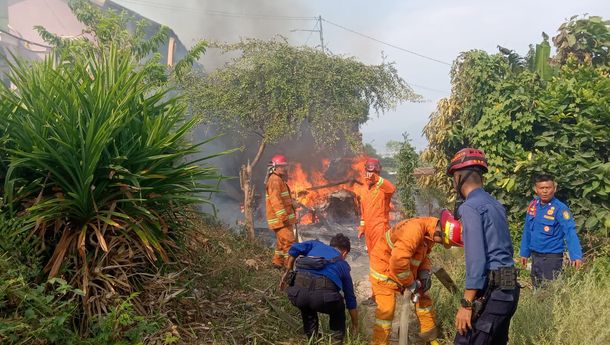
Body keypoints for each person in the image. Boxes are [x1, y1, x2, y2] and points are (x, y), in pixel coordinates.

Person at [447, 148, 519, 345]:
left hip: (492, 290)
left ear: (459, 176)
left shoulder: (470, 207)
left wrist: (467, 304)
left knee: (465, 340)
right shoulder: (494, 204)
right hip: (509, 287)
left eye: (454, 177)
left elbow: (477, 259)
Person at [368, 215, 463, 345]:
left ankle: (430, 338)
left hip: (404, 270)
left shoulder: (429, 231)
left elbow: (423, 256)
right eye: (441, 242)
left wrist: (423, 273)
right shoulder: (413, 231)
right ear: (440, 232)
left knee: (424, 299)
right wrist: (410, 283)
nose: (439, 244)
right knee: (386, 313)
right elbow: (398, 263)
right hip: (384, 271)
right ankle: (379, 343)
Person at [280, 234, 358, 345]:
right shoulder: (342, 264)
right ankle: (336, 341)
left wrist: (288, 270)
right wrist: (355, 325)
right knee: (339, 309)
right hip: (323, 298)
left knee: (307, 307)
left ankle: (312, 339)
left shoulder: (315, 244)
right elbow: (350, 299)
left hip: (297, 294)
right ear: (345, 252)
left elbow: (294, 249)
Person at [519, 173, 583, 288]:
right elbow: (528, 230)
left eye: (548, 188)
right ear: (536, 189)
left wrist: (576, 255)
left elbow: (570, 232)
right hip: (535, 256)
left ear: (554, 189)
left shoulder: (560, 208)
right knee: (536, 289)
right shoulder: (533, 205)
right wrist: (524, 253)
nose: (544, 191)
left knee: (549, 291)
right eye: (541, 188)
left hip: (552, 258)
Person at [356, 157, 396, 252]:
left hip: (380, 228)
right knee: (371, 254)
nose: (370, 176)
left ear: (378, 173)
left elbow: (392, 188)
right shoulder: (364, 190)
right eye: (368, 173)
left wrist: (377, 179)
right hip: (368, 230)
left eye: (373, 173)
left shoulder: (383, 189)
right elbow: (363, 213)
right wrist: (362, 227)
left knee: (381, 254)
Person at [265, 154, 297, 268]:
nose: (285, 168)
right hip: (281, 220)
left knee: (281, 244)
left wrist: (292, 203)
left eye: (285, 166)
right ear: (275, 167)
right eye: (282, 166)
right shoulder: (274, 180)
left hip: (284, 219)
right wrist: (284, 217)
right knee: (290, 244)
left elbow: (283, 199)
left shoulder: (279, 180)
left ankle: (277, 264)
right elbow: (276, 201)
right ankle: (289, 270)